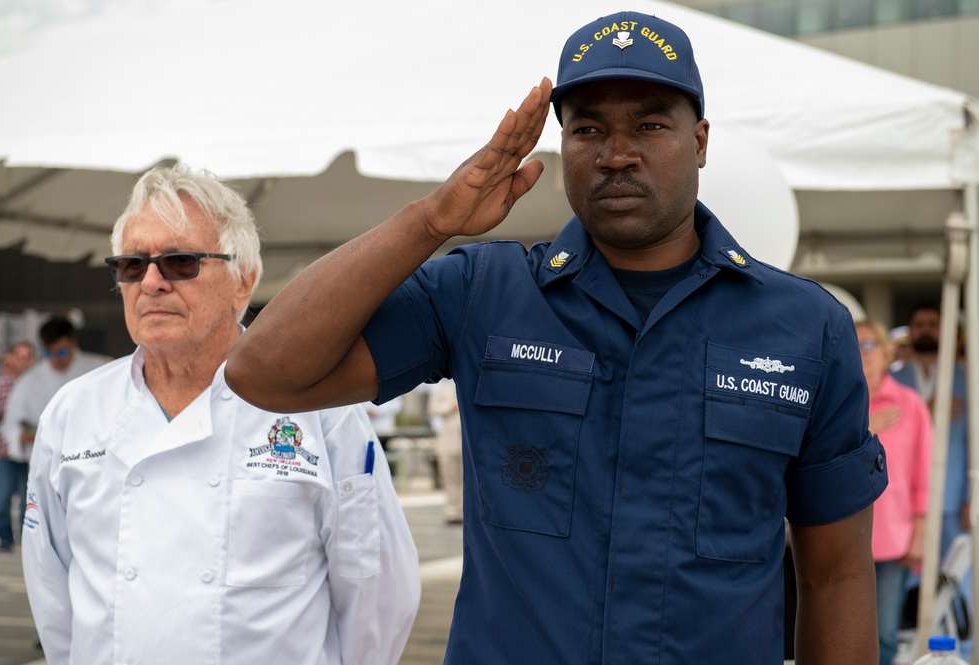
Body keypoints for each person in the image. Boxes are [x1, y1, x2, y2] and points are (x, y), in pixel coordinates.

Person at [226, 11, 887, 664]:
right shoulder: (484, 293)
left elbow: (834, 576)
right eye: (587, 128)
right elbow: (264, 372)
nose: (616, 153)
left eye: (650, 124)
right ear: (561, 144)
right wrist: (430, 221)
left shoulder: (804, 326)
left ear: (701, 141)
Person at [21, 165, 420, 665]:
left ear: (242, 282)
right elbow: (51, 592)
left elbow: (377, 592)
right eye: (131, 264)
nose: (150, 282)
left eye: (179, 262)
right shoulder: (73, 413)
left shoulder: (319, 410)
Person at [890, 303, 972, 655]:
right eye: (919, 324)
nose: (926, 330)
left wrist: (972, 493)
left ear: (947, 332)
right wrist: (931, 406)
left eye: (933, 324)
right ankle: (903, 647)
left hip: (954, 497)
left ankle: (964, 650)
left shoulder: (967, 377)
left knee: (961, 574)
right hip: (905, 500)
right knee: (905, 577)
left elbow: (974, 441)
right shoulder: (894, 379)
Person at [0, 318, 106, 554]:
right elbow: (11, 426)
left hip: (93, 460)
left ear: (74, 344)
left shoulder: (99, 369)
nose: (57, 359)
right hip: (45, 460)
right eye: (50, 353)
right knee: (40, 517)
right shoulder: (29, 381)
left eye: (63, 351)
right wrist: (26, 436)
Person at [857, 320, 932, 665]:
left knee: (885, 633)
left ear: (887, 353)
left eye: (870, 345)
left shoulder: (910, 403)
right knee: (843, 628)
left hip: (892, 537)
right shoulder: (837, 404)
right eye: (854, 344)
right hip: (843, 533)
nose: (862, 353)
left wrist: (920, 532)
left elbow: (925, 471)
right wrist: (866, 430)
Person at [0, 342, 34, 549]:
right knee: (1, 497)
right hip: (6, 451)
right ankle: (4, 539)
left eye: (27, 356)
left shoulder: (38, 384)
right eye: (19, 356)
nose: (23, 361)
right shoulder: (3, 384)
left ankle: (27, 541)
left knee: (29, 500)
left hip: (31, 452)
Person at [427, 379, 463, 524]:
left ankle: (463, 510)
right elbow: (432, 408)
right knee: (449, 477)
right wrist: (450, 406)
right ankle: (453, 511)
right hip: (448, 440)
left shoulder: (470, 382)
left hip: (466, 440)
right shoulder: (443, 387)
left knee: (466, 478)